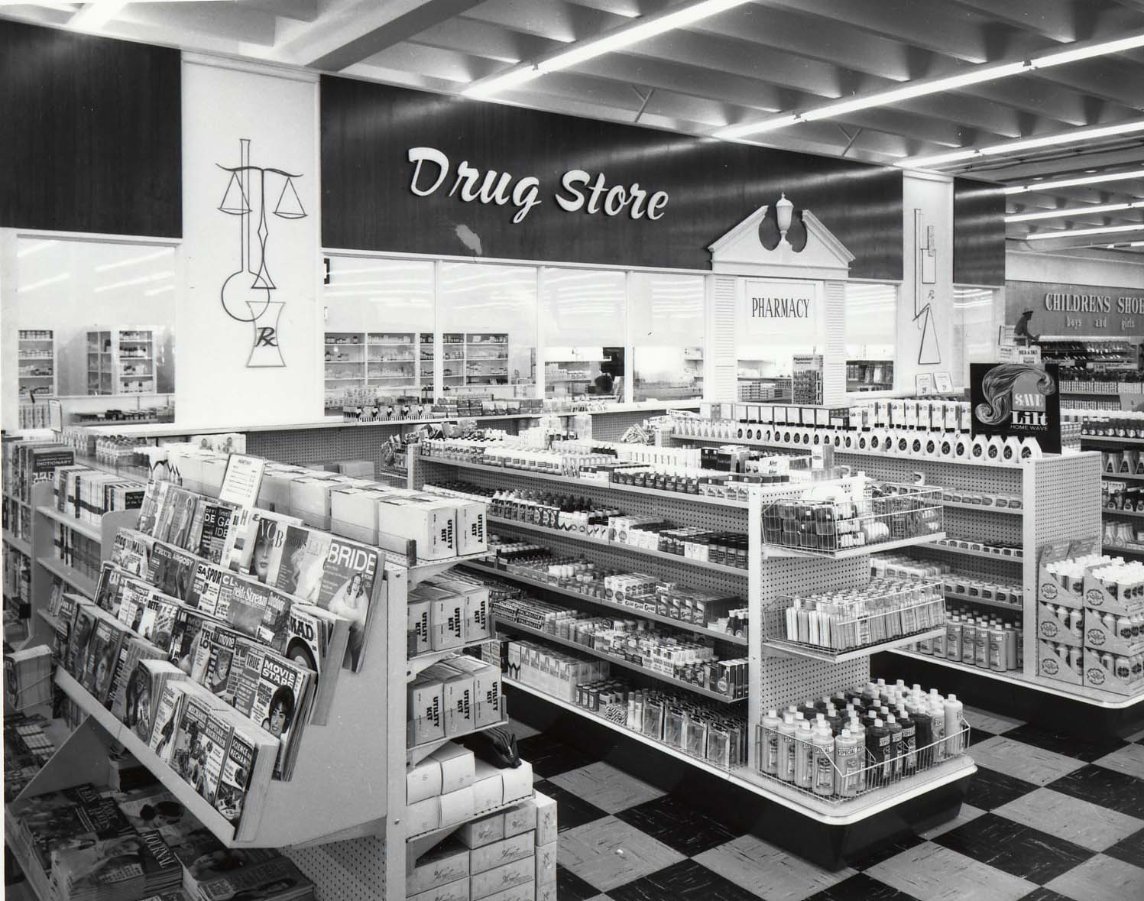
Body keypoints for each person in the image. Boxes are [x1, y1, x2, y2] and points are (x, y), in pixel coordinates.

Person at [326, 571, 369, 668]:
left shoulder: (362, 600)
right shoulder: (344, 595)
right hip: (339, 626)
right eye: (355, 583)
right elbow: (334, 608)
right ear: (351, 583)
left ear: (360, 586)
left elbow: (361, 619)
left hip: (349, 629)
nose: (356, 586)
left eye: (358, 584)